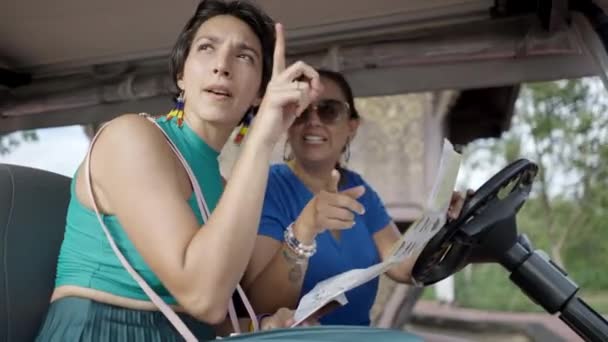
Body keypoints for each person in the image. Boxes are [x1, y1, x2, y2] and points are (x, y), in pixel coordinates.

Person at [35, 1, 324, 340]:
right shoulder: (130, 137)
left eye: (244, 56)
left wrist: (261, 326)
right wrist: (262, 138)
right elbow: (203, 296)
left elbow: (214, 314)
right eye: (206, 48)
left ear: (260, 92)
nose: (222, 66)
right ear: (181, 75)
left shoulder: (224, 185)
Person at [243, 69, 465, 326]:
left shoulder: (361, 190)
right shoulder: (269, 186)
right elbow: (261, 305)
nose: (313, 120)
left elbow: (403, 267)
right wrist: (304, 229)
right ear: (288, 124)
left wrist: (443, 223)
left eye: (329, 110)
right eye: (302, 110)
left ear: (352, 127)